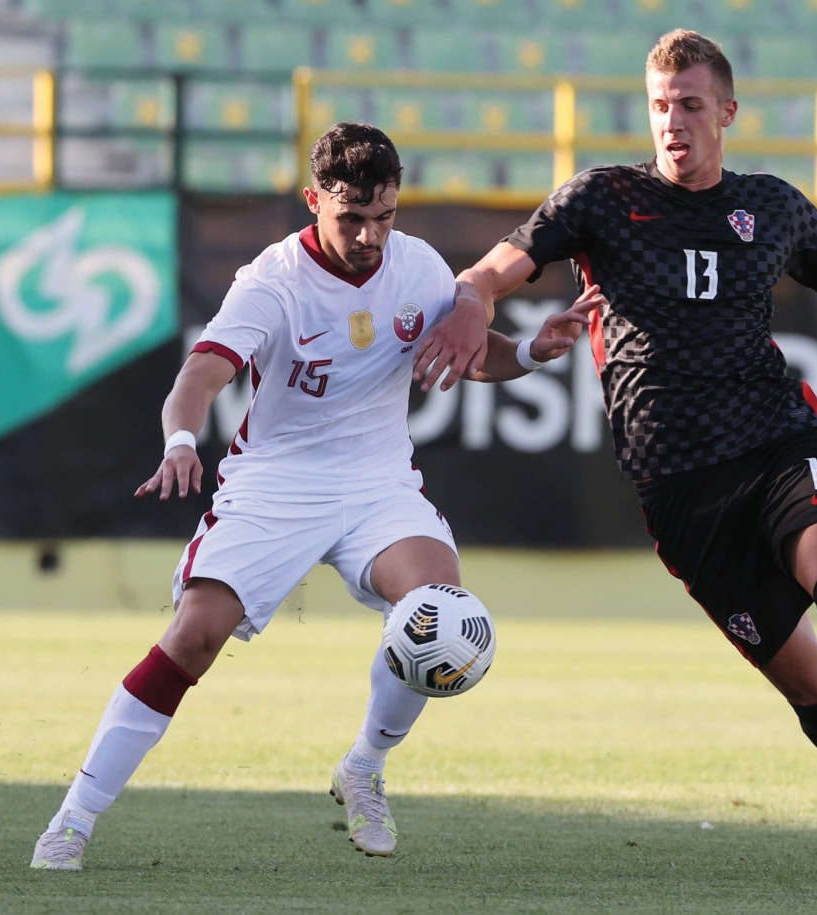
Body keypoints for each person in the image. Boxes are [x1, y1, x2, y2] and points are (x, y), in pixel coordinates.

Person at [429, 30, 817, 879]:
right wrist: (465, 294)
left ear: (728, 114)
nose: (672, 123)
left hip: (777, 439)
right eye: (659, 105)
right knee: (811, 684)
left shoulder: (774, 207)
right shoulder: (602, 197)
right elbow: (500, 264)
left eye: (690, 105)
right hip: (679, 487)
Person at [30, 122, 600, 871]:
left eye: (384, 216)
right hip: (276, 482)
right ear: (313, 201)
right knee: (193, 636)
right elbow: (200, 377)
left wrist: (529, 351)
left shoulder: (418, 265)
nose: (369, 235)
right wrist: (179, 441)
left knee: (440, 609)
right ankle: (72, 820)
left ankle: (363, 765)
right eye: (351, 217)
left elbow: (473, 354)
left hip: (377, 483)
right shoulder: (272, 281)